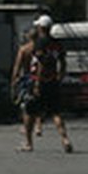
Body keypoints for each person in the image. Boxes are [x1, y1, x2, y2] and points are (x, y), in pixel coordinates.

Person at [18, 15, 72, 153]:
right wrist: (60, 76)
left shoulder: (39, 43)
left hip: (40, 81)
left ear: (41, 28)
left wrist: (37, 82)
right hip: (53, 81)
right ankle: (65, 139)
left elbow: (40, 63)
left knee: (29, 112)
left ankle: (28, 143)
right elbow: (63, 62)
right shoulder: (56, 43)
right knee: (56, 113)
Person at [11, 29, 42, 137]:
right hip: (38, 77)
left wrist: (14, 79)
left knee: (26, 105)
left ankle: (26, 127)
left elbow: (17, 66)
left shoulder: (24, 49)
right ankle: (38, 126)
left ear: (29, 37)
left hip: (27, 77)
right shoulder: (40, 48)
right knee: (37, 103)